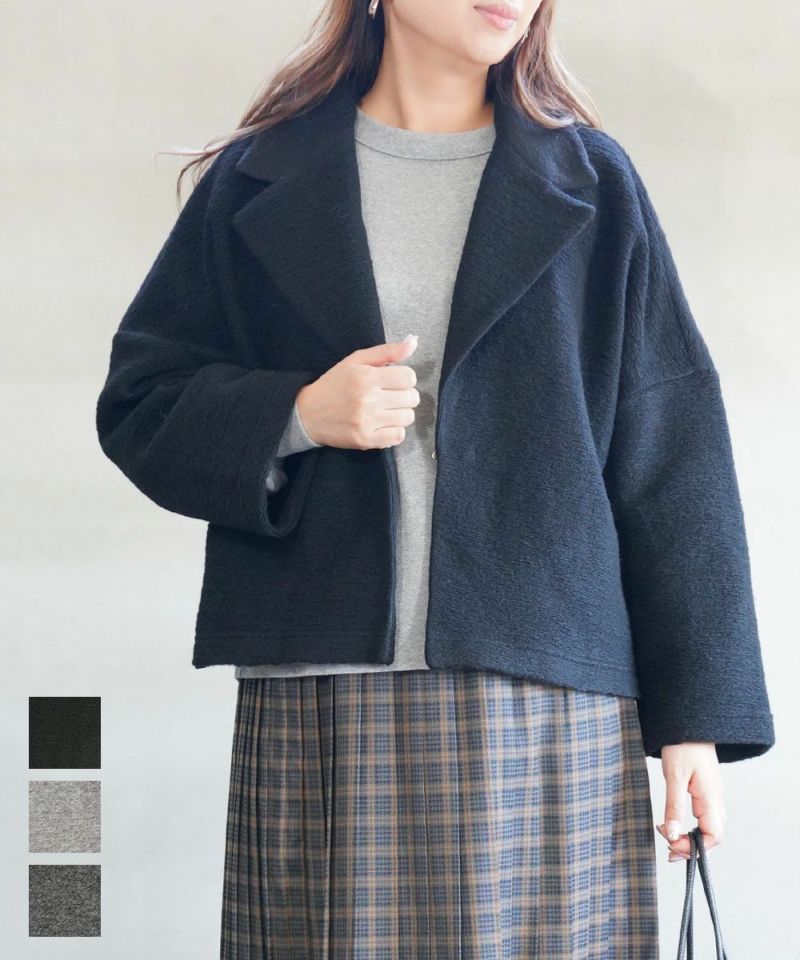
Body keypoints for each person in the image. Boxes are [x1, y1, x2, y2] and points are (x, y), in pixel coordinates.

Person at [95, 0, 776, 956]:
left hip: (551, 696)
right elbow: (142, 402)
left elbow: (672, 452)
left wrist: (693, 724)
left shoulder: (592, 181)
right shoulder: (259, 174)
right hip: (328, 694)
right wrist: (299, 414)